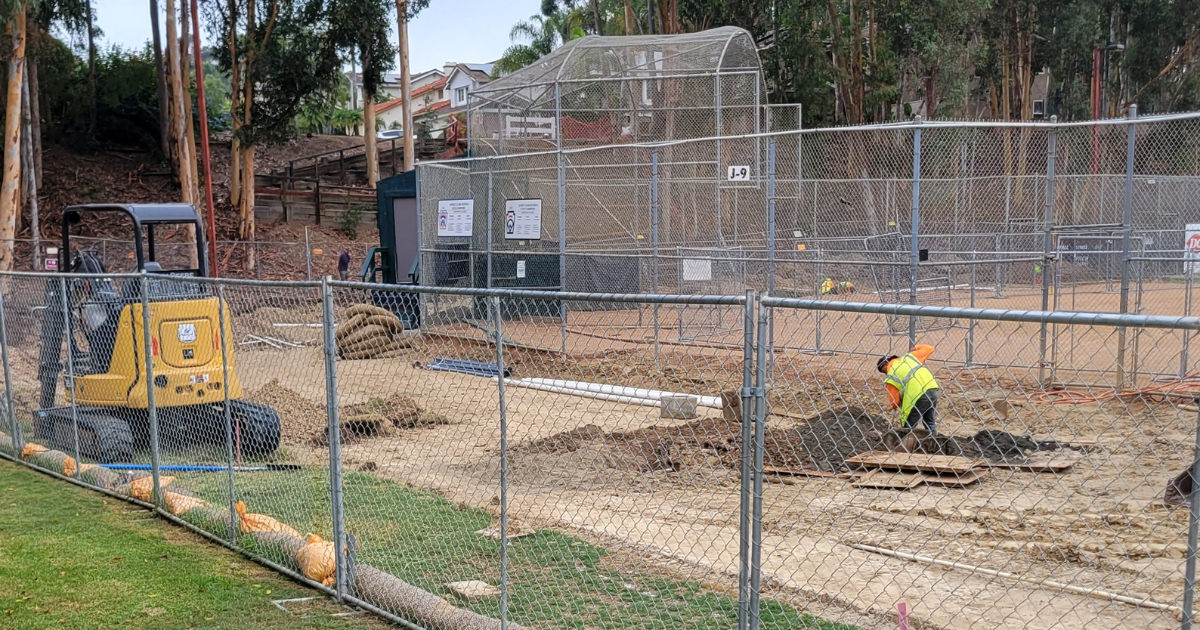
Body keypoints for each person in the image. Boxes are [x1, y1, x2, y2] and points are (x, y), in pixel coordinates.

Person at [877, 344, 940, 435]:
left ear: (886, 364)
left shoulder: (891, 374)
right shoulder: (909, 357)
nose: (886, 373)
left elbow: (894, 401)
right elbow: (929, 348)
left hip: (917, 395)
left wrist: (895, 407)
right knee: (929, 421)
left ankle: (907, 446)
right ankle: (934, 443)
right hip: (931, 387)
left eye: (884, 370)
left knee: (908, 426)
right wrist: (916, 348)